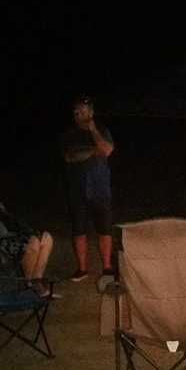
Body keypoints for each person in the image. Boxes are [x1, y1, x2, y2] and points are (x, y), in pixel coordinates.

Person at [61, 94, 115, 282]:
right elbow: (70, 156)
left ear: (91, 113)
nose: (79, 116)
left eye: (83, 112)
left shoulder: (101, 130)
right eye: (76, 112)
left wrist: (93, 132)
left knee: (104, 229)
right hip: (77, 189)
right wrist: (93, 151)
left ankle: (107, 267)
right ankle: (82, 269)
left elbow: (107, 150)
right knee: (79, 230)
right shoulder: (70, 134)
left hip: (100, 188)